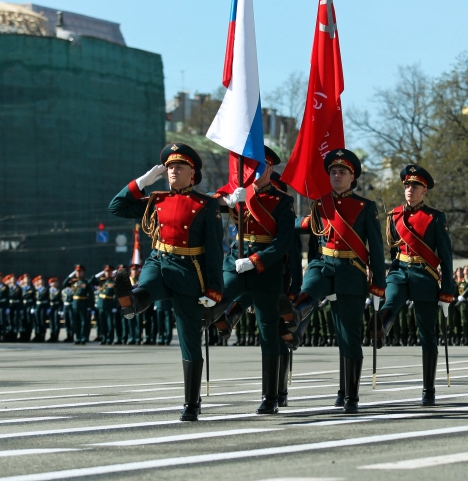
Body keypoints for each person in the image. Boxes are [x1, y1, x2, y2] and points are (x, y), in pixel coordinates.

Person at [110, 143, 224, 421]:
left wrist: (214, 289)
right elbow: (116, 207)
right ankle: (132, 302)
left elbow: (214, 249)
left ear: (192, 173)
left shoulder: (206, 204)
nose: (173, 170)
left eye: (179, 166)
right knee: (145, 286)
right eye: (170, 167)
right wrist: (142, 182)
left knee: (189, 340)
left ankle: (191, 403)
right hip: (159, 261)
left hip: (189, 271)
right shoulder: (156, 200)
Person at [281, 148, 386, 414]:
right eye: (333, 172)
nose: (336, 175)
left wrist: (378, 285)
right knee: (310, 287)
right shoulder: (320, 204)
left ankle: (349, 394)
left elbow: (376, 248)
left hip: (351, 270)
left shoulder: (365, 206)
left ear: (353, 177)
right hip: (324, 264)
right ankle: (295, 314)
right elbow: (310, 237)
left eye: (342, 172)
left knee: (348, 336)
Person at [210, 146, 295, 414]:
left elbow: (283, 243)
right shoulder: (240, 194)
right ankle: (223, 320)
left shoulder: (283, 202)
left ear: (270, 169)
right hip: (235, 261)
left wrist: (256, 261)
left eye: (261, 167)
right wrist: (224, 201)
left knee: (269, 333)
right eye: (252, 167)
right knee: (212, 301)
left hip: (265, 268)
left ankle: (270, 397)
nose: (255, 172)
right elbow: (208, 206)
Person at [372, 165, 455, 406]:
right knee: (392, 299)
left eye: (415, 186)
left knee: (427, 333)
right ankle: (380, 328)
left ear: (424, 190)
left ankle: (428, 389)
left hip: (424, 274)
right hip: (399, 270)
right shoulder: (394, 215)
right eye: (407, 185)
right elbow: (392, 249)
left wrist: (447, 289)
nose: (410, 189)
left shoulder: (436, 217)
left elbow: (446, 256)